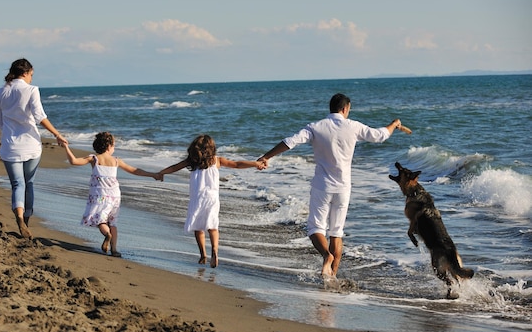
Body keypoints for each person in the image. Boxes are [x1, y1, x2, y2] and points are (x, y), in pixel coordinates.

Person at [258, 93, 403, 278]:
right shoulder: (353, 126)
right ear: (345, 109)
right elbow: (380, 135)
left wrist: (266, 157)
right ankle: (332, 276)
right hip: (343, 188)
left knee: (315, 229)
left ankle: (326, 256)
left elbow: (290, 142)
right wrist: (394, 124)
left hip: (322, 186)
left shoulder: (316, 127)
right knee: (336, 233)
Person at [160, 134, 267, 268]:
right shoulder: (217, 160)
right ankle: (215, 251)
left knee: (198, 228)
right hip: (212, 198)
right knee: (213, 226)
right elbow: (237, 164)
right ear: (212, 149)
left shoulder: (192, 161)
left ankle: (203, 255)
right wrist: (255, 164)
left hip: (197, 198)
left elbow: (174, 167)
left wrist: (161, 173)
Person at [0, 58, 68, 239]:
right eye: (31, 75)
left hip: (10, 146)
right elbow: (39, 117)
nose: (32, 79)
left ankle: (18, 216)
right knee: (29, 183)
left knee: (17, 184)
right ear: (25, 73)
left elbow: (0, 123)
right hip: (31, 145)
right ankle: (26, 220)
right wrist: (57, 134)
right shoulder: (31, 90)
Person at [63, 132, 162, 257]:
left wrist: (66, 147)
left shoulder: (94, 159)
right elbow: (135, 171)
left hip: (99, 195)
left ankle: (107, 235)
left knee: (100, 221)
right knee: (113, 222)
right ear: (109, 146)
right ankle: (114, 249)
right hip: (115, 196)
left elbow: (74, 161)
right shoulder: (116, 161)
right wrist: (153, 175)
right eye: (114, 145)